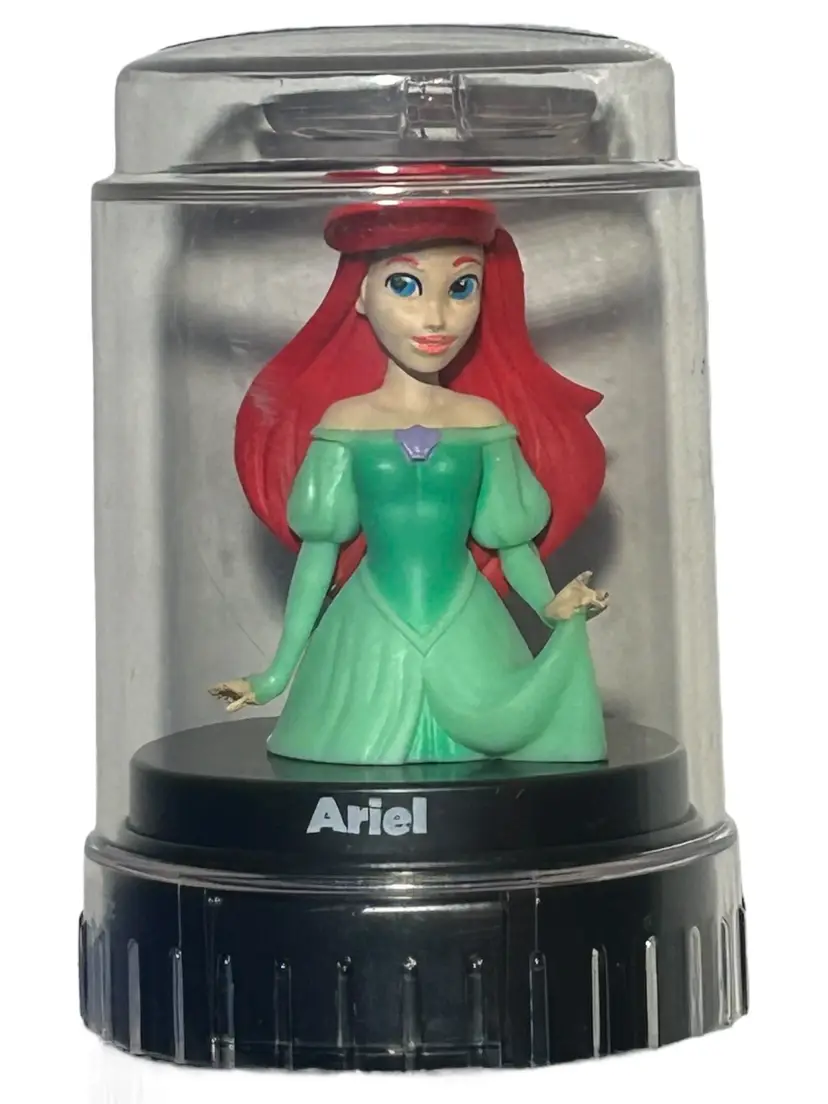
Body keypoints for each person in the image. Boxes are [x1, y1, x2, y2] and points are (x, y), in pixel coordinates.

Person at [210, 196, 609, 765]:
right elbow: (318, 555)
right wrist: (275, 675)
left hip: (467, 630)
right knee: (354, 751)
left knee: (502, 734)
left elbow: (511, 542)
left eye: (462, 288)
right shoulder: (345, 424)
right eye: (405, 286)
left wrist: (553, 608)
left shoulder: (483, 422)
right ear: (359, 296)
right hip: (368, 635)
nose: (436, 318)